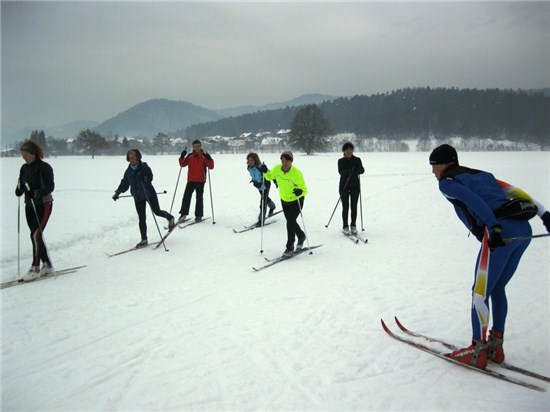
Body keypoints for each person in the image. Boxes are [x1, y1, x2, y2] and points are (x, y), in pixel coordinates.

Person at [429, 144, 550, 369]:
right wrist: (545, 214)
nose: (433, 171)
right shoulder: (481, 174)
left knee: (479, 292)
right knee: (497, 288)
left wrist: (493, 227)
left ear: (445, 164)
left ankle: (477, 349)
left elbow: (474, 201)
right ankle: (496, 345)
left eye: (434, 165)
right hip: (523, 231)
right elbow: (515, 191)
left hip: (500, 233)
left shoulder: (447, 182)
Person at [113, 149, 175, 247]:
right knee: (141, 218)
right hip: (137, 197)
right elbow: (125, 182)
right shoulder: (128, 170)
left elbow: (150, 177)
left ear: (138, 156)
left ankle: (170, 218)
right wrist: (117, 192)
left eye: (133, 156)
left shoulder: (144, 167)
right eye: (130, 156)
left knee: (157, 211)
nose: (131, 158)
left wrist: (144, 178)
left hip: (148, 193)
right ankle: (144, 239)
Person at [15, 140, 55, 280]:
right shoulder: (24, 168)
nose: (23, 157)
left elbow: (50, 187)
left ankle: (35, 268)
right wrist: (19, 190)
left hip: (43, 204)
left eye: (25, 154)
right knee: (35, 235)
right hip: (29, 205)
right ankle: (47, 265)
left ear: (32, 153)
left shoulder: (44, 167)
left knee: (35, 235)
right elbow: (21, 184)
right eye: (22, 154)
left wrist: (36, 193)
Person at [261, 151, 308, 257]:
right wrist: (265, 171)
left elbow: (304, 189)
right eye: (283, 160)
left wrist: (300, 191)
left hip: (296, 200)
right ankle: (301, 236)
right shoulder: (277, 169)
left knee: (290, 221)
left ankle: (289, 246)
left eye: (287, 160)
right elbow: (269, 177)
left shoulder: (296, 173)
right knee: (290, 221)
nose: (284, 163)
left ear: (291, 161)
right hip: (284, 200)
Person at [177, 140, 214, 222]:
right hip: (191, 180)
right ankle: (183, 214)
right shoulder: (190, 156)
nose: (196, 148)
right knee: (186, 196)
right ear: (193, 147)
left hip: (200, 180)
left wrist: (210, 159)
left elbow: (211, 167)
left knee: (199, 198)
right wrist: (182, 156)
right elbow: (182, 164)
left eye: (198, 146)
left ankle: (199, 215)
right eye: (195, 146)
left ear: (201, 146)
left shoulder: (204, 156)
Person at [338, 142, 365, 234]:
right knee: (345, 207)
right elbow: (341, 171)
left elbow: (362, 170)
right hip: (344, 187)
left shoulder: (357, 160)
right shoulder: (340, 161)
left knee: (354, 207)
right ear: (344, 151)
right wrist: (352, 171)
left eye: (351, 149)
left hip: (355, 187)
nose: (349, 151)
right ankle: (345, 226)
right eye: (347, 150)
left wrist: (357, 170)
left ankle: (353, 225)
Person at [246, 152, 276, 227]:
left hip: (265, 185)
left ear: (255, 160)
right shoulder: (249, 167)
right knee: (265, 198)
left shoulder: (261, 166)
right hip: (258, 185)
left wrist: (275, 181)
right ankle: (272, 207)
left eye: (251, 160)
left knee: (263, 201)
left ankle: (261, 219)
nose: (250, 162)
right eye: (248, 160)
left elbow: (270, 173)